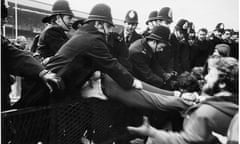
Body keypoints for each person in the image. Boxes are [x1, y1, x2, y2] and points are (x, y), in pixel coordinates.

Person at [14, 3, 142, 108]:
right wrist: (131, 81)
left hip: (56, 86)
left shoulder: (83, 34)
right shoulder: (89, 38)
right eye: (69, 18)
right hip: (47, 88)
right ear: (98, 24)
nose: (71, 21)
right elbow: (110, 64)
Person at [127, 56, 238, 144]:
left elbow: (183, 141)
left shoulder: (205, 113)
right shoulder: (233, 107)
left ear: (222, 83)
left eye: (211, 75)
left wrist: (152, 132)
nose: (206, 77)